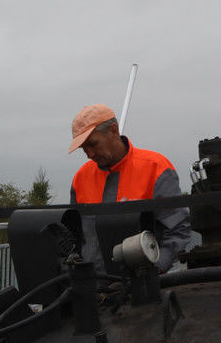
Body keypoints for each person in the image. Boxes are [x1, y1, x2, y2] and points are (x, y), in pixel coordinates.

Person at [67, 103, 191, 273]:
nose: (89, 154)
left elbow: (178, 229)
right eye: (84, 148)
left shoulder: (156, 168)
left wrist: (156, 269)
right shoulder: (80, 178)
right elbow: (74, 238)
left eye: (93, 144)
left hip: (145, 288)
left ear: (113, 130)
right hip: (96, 291)